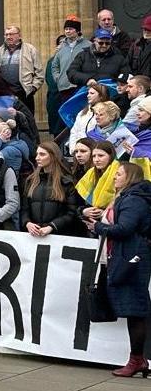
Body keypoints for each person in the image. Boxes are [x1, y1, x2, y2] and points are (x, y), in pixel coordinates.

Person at [83, 162, 151, 378]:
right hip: (124, 256)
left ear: (129, 177)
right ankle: (137, 359)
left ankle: (137, 359)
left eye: (119, 174)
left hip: (132, 259)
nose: (114, 177)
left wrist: (98, 227)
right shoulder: (125, 198)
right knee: (132, 309)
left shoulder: (134, 201)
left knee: (136, 310)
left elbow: (124, 229)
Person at [22, 142, 84, 238]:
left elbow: (72, 212)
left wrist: (52, 226)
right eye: (37, 154)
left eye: (42, 154)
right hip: (33, 237)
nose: (37, 158)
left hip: (59, 237)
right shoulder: (30, 181)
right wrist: (27, 223)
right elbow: (24, 209)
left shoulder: (66, 182)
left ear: (53, 156)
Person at [0, 25, 44, 114]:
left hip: (24, 93)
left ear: (19, 35)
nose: (8, 37)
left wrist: (33, 88)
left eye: (11, 34)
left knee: (26, 120)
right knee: (6, 120)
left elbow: (39, 73)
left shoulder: (30, 49)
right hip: (5, 94)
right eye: (6, 35)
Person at [53, 15, 91, 100]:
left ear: (77, 31)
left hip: (82, 86)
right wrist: (58, 78)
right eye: (66, 29)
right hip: (65, 88)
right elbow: (54, 66)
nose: (67, 31)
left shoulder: (88, 45)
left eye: (70, 29)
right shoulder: (61, 47)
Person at [68, 81, 111, 155]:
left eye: (92, 93)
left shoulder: (107, 113)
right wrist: (74, 149)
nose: (88, 95)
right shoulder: (82, 113)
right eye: (88, 93)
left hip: (96, 152)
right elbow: (74, 132)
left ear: (101, 96)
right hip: (79, 151)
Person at [77, 141, 119, 213]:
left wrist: (105, 213)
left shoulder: (120, 173)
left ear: (110, 156)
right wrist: (83, 211)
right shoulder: (91, 173)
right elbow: (79, 203)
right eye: (94, 156)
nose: (96, 160)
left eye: (101, 156)